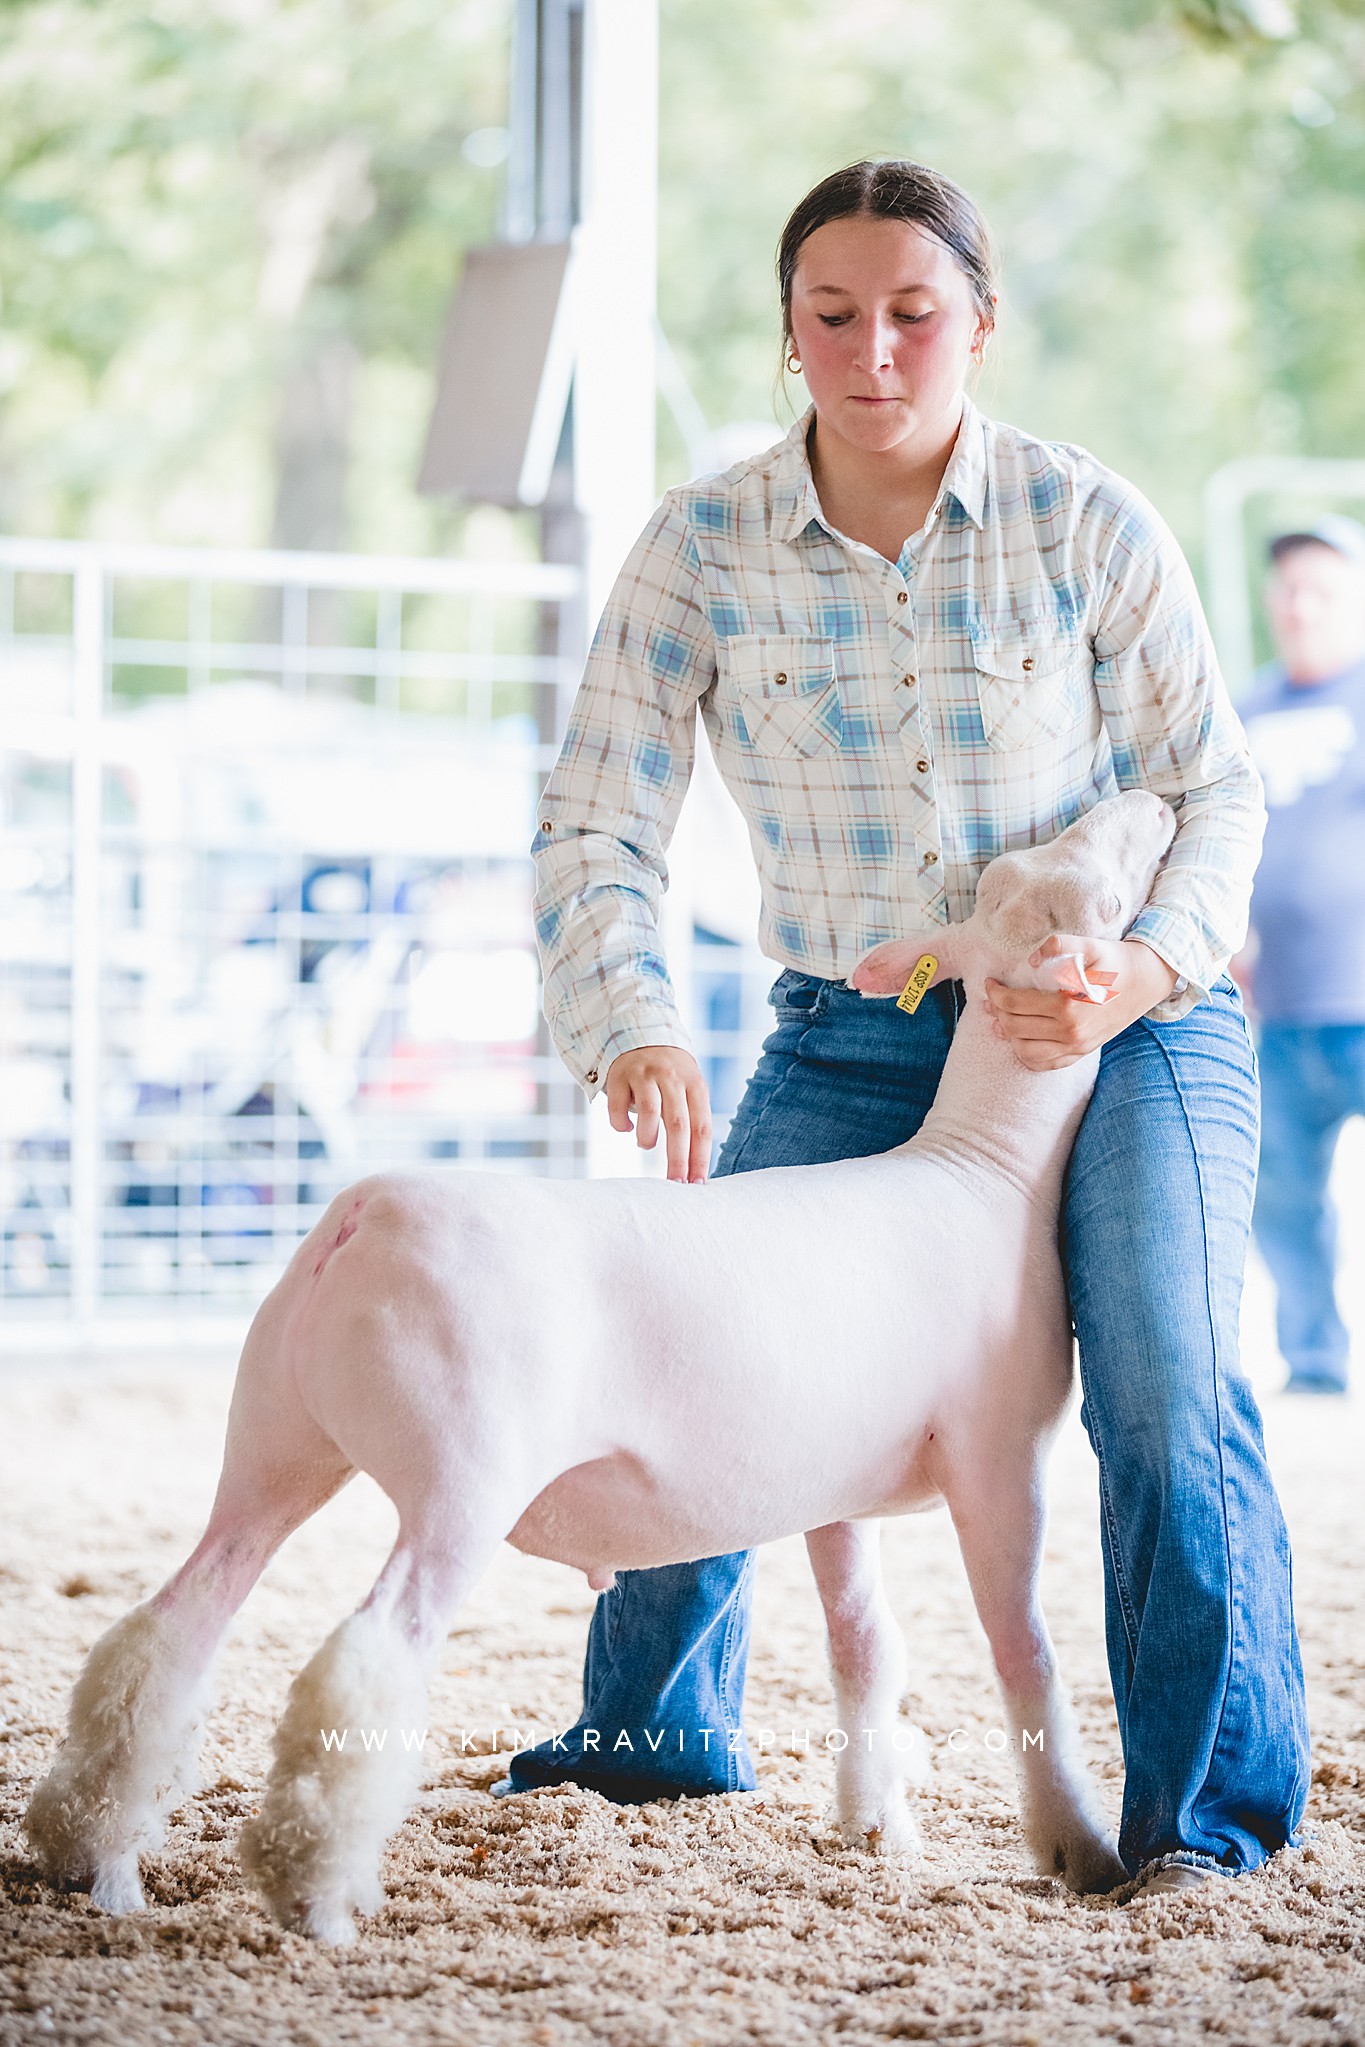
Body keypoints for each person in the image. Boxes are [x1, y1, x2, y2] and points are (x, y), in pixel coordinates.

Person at [512, 159, 1309, 1893]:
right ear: (790, 333)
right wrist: (629, 1018)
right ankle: (643, 1750)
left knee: (1167, 1379)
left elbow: (1214, 788)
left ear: (981, 324)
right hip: (856, 1032)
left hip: (1122, 1028)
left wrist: (1146, 968)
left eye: (915, 312)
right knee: (692, 1333)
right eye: (834, 313)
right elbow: (594, 822)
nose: (875, 349)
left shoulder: (1087, 518)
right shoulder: (700, 543)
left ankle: (1206, 1822)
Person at [1238, 516, 1365, 1395]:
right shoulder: (1243, 707)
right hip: (1276, 1005)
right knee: (1280, 1198)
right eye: (1286, 586)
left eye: (1319, 586)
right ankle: (1314, 1361)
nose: (1299, 603)